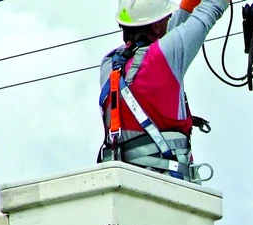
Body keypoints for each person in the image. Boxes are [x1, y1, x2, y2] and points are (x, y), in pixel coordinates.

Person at [97, 0, 229, 183]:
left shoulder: (109, 64)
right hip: (168, 183)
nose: (170, 19)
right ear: (158, 26)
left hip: (125, 180)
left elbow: (172, 37)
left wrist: (188, 5)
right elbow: (211, 7)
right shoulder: (166, 55)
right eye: (167, 17)